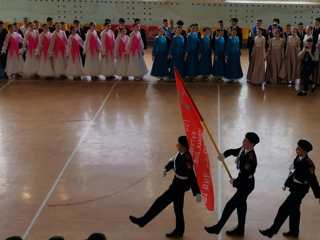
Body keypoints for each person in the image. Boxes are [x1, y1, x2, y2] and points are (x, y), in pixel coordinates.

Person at [129, 136, 201, 239]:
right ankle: (179, 231)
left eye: (178, 144)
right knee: (178, 209)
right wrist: (166, 169)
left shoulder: (187, 158)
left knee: (160, 202)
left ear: (183, 146)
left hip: (179, 187)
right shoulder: (180, 153)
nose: (177, 145)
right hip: (176, 183)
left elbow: (192, 175)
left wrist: (197, 192)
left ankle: (142, 221)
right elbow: (173, 161)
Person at [259, 140, 320, 238]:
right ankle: (294, 232)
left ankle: (272, 231)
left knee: (283, 209)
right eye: (297, 147)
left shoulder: (309, 164)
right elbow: (293, 171)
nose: (296, 149)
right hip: (294, 187)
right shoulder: (298, 158)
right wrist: (287, 183)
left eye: (299, 148)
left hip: (300, 190)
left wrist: (318, 195)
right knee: (294, 211)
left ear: (304, 151)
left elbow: (313, 180)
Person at [205, 132, 260, 237]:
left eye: (246, 141)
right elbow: (233, 151)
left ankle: (218, 227)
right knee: (241, 206)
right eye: (244, 139)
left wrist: (235, 182)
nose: (243, 142)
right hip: (243, 181)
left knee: (230, 205)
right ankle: (240, 230)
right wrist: (224, 155)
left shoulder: (251, 159)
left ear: (252, 144)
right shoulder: (243, 149)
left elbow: (245, 176)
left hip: (246, 185)